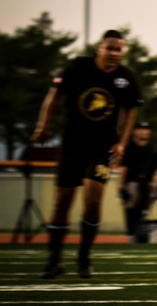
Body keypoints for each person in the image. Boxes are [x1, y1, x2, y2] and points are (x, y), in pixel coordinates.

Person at [32, 29, 142, 279]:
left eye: (119, 49)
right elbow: (54, 96)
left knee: (92, 201)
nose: (114, 53)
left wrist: (122, 143)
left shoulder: (127, 78)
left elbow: (130, 112)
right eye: (110, 48)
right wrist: (43, 126)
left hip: (100, 148)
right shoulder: (77, 68)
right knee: (62, 202)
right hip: (72, 145)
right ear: (100, 48)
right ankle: (54, 260)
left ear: (123, 51)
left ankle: (84, 257)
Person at [117, 121, 156, 243]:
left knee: (143, 209)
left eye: (146, 129)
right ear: (136, 131)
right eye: (141, 129)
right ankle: (131, 233)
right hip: (132, 181)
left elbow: (154, 167)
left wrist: (154, 182)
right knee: (131, 207)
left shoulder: (151, 148)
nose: (144, 132)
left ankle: (140, 233)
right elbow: (124, 167)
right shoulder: (130, 147)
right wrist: (121, 183)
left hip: (146, 182)